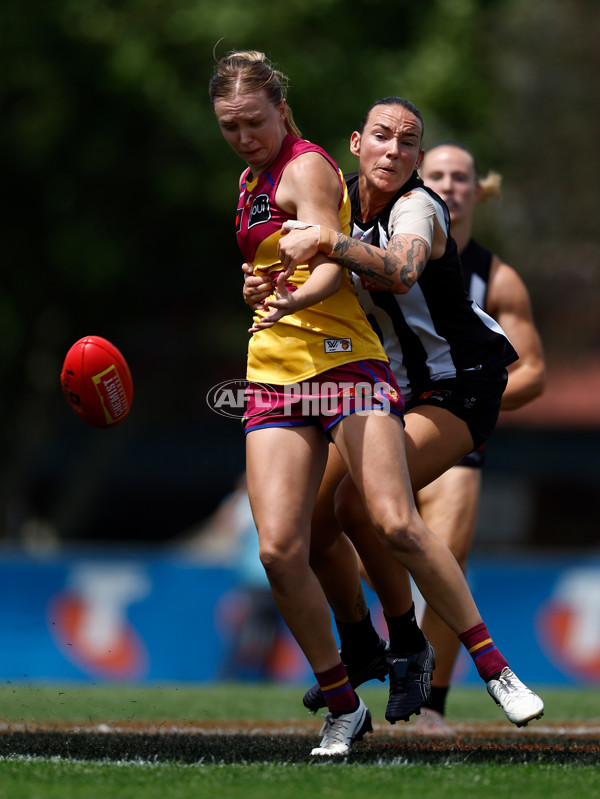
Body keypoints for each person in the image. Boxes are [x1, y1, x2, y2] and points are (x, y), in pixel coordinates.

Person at [253, 96, 544, 731]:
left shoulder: (417, 206)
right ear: (356, 143)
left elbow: (403, 269)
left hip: (458, 382)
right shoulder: (338, 198)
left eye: (408, 143)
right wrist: (274, 290)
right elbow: (317, 272)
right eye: (382, 137)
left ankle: (490, 666)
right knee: (318, 525)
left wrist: (327, 241)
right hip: (386, 383)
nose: (394, 150)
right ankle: (367, 646)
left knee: (364, 507)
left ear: (417, 157)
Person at [409, 142, 546, 732]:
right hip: (379, 417)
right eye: (436, 174)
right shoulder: (391, 248)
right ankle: (375, 655)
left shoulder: (497, 277)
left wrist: (473, 394)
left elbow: (534, 372)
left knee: (450, 553)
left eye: (460, 177)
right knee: (349, 532)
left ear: (476, 191)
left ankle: (431, 705)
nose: (449, 185)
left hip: (457, 431)